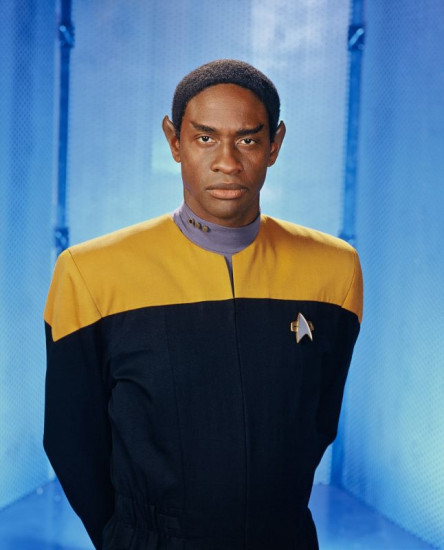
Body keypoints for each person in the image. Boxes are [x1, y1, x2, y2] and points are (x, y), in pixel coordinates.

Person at [44, 59, 363, 550]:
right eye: (205, 138)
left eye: (248, 140)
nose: (227, 162)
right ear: (175, 141)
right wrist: (129, 535)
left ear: (275, 144)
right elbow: (71, 437)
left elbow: (317, 420)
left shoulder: (334, 269)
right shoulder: (89, 272)